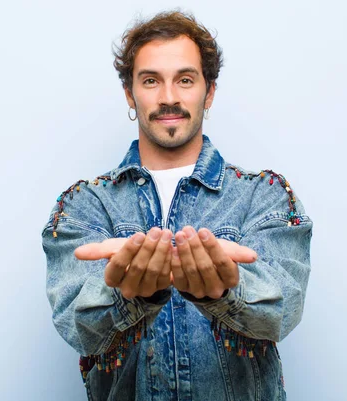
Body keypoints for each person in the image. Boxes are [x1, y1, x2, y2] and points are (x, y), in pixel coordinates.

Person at [41, 10, 312, 401]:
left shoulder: (265, 195)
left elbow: (282, 311)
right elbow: (75, 325)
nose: (169, 98)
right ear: (130, 94)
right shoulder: (83, 204)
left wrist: (223, 290)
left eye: (185, 80)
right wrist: (127, 292)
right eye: (151, 81)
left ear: (210, 91)